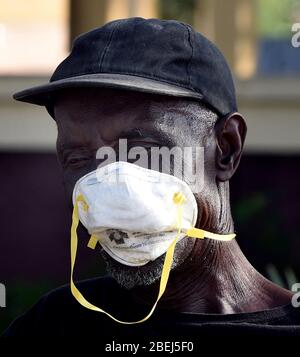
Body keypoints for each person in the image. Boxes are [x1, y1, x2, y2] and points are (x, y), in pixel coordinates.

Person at [3, 17, 300, 338]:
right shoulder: (49, 329)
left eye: (141, 149)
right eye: (79, 157)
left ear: (226, 148)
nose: (111, 189)